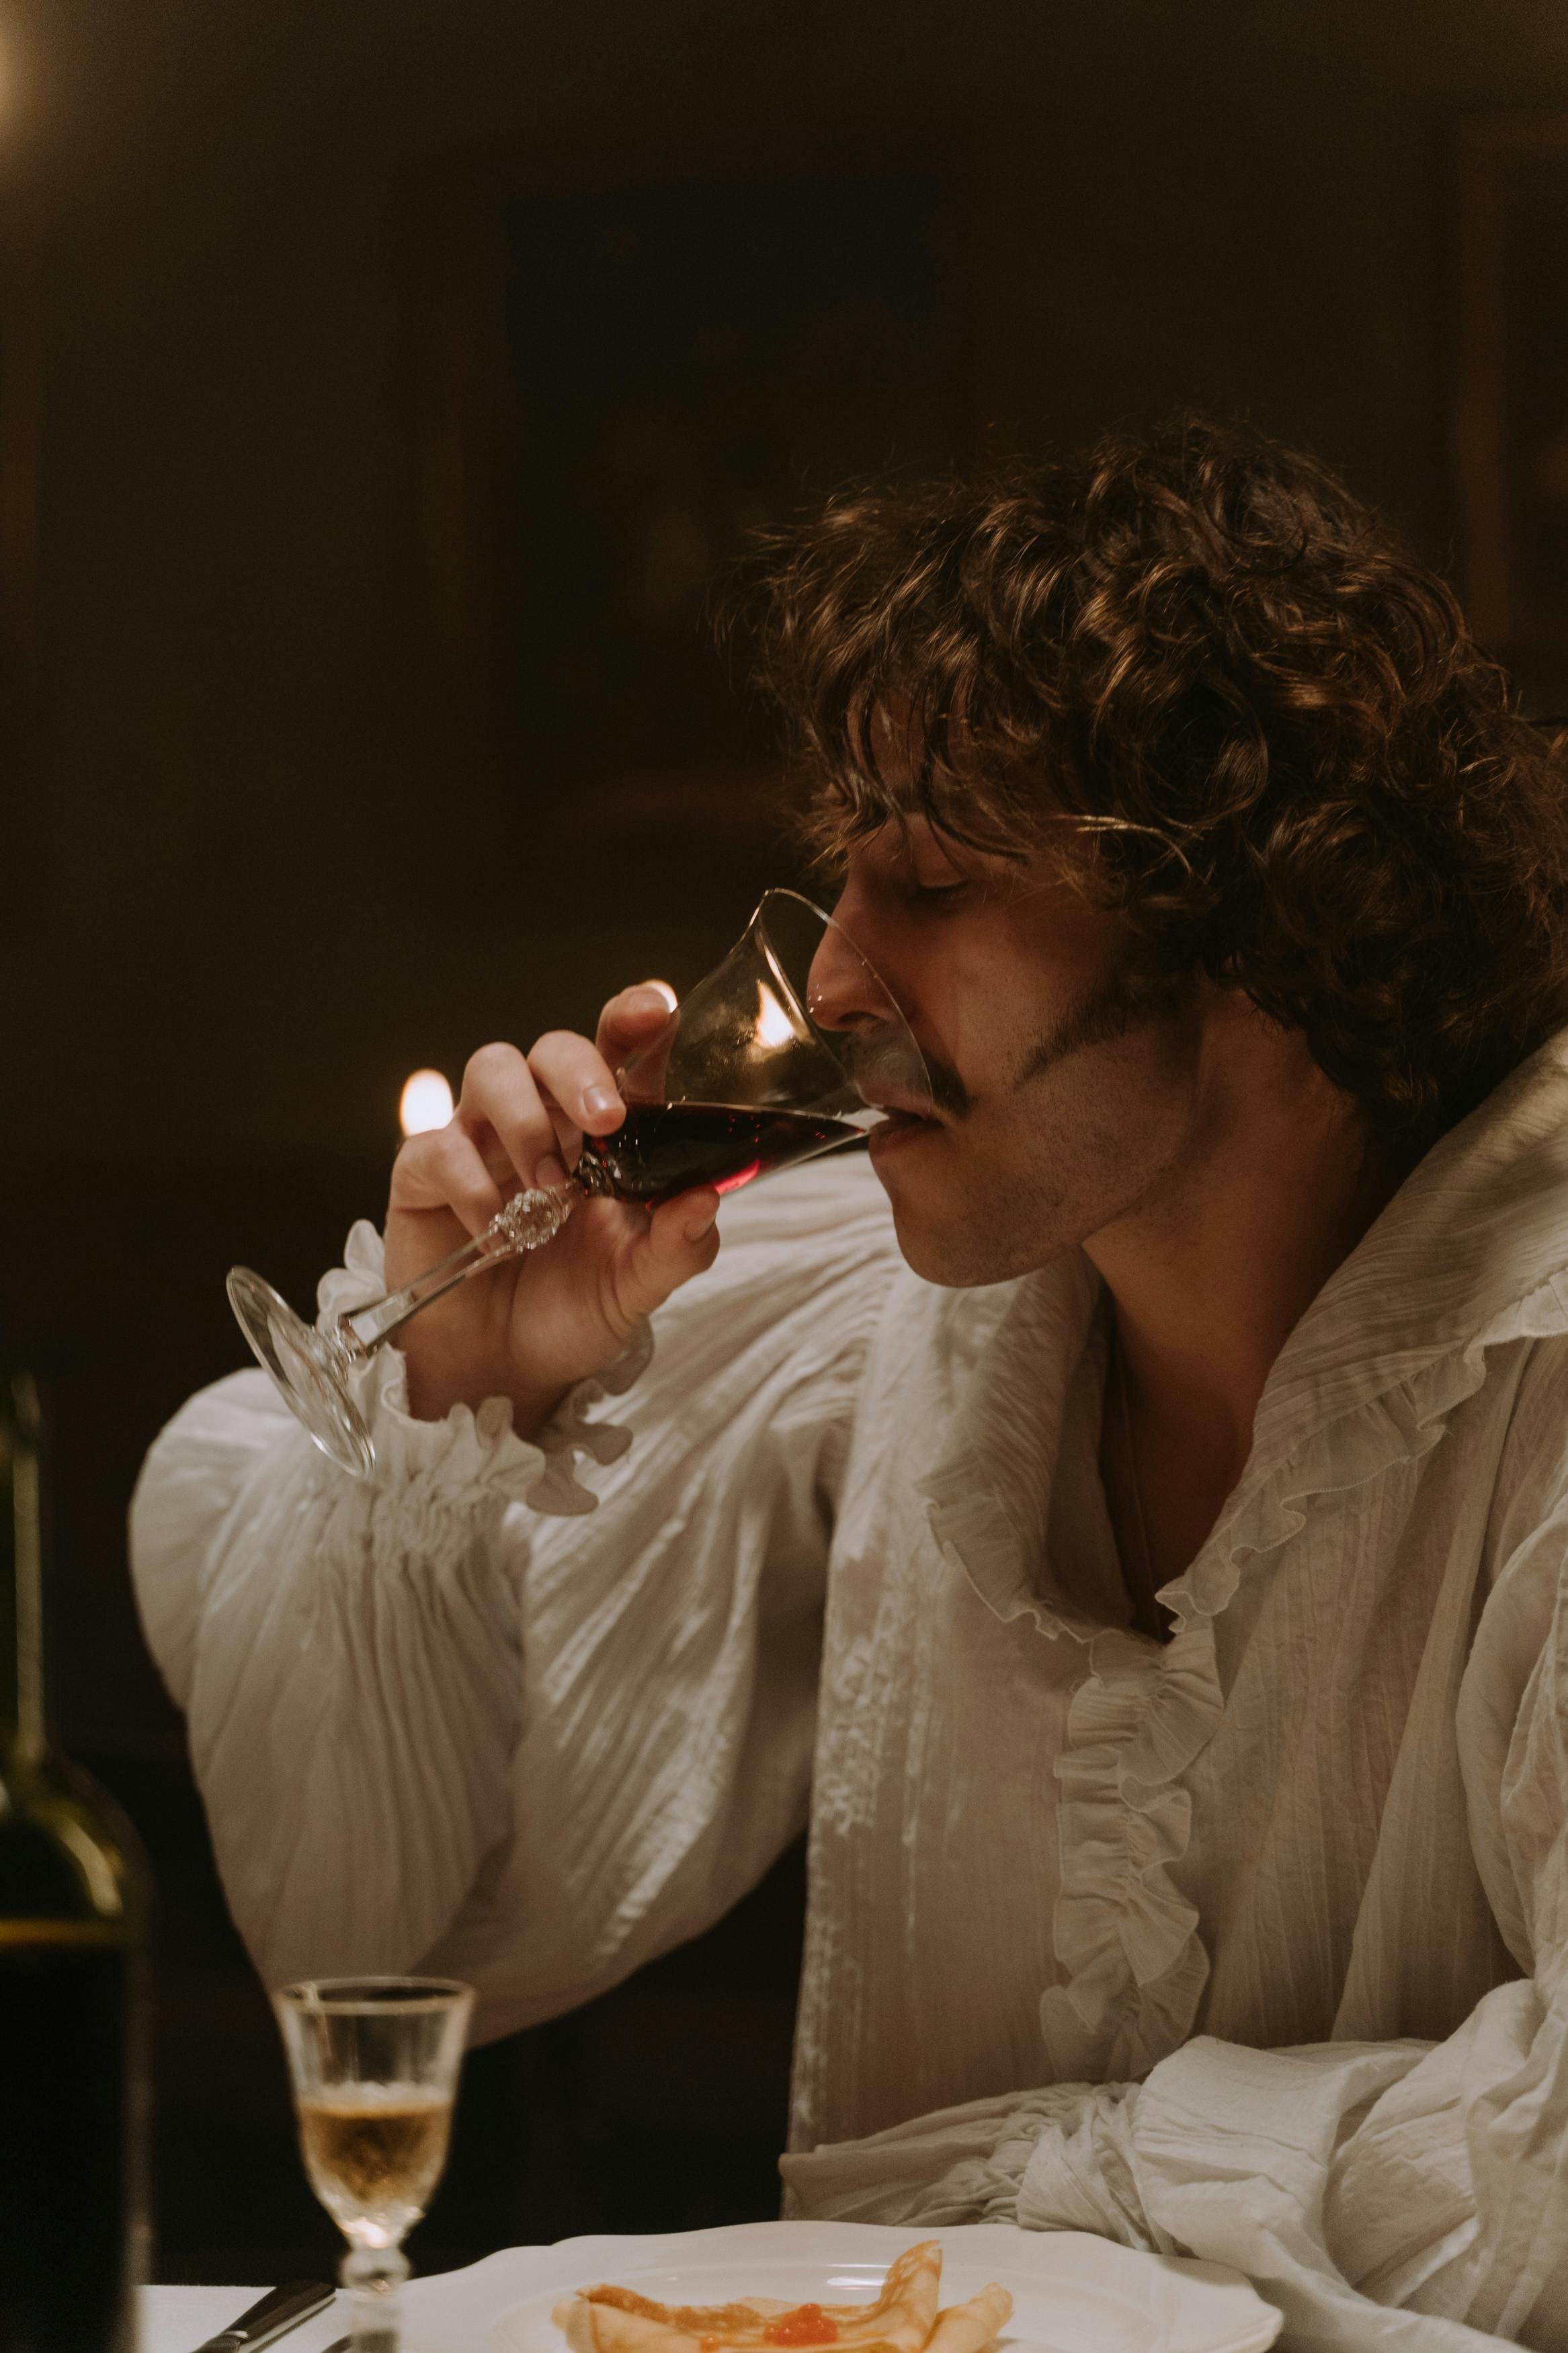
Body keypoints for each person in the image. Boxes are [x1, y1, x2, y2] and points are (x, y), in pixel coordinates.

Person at [132, 420, 1568, 2350]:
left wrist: (1023, 2183)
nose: (834, 978)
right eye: (847, 872)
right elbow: (372, 1947)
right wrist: (466, 1400)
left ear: (1261, 927)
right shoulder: (889, 1308)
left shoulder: (1539, 1349)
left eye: (939, 880)